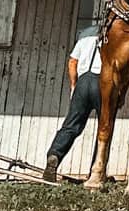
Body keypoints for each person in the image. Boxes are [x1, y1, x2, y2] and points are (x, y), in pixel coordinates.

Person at [43, 23, 104, 181]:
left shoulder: (86, 34)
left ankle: (55, 154)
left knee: (71, 124)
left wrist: (74, 86)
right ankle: (97, 170)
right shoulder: (112, 35)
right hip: (102, 81)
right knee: (104, 128)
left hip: (83, 82)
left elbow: (72, 62)